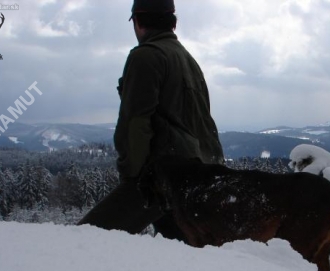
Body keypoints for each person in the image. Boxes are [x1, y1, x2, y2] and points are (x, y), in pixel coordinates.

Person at [78, 0, 224, 237]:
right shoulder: (188, 60)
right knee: (181, 252)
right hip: (197, 175)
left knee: (86, 239)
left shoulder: (146, 56)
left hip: (163, 176)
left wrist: (132, 176)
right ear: (172, 22)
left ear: (137, 21)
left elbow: (136, 121)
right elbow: (202, 122)